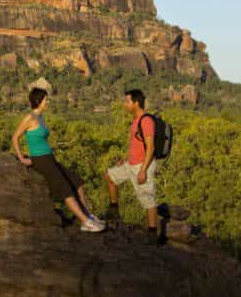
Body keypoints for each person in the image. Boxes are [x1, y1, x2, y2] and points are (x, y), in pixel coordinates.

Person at [12, 87, 105, 232]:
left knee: (77, 182)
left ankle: (88, 215)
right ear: (38, 101)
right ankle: (85, 222)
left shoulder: (40, 117)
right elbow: (15, 137)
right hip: (41, 160)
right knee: (65, 189)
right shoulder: (29, 118)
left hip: (49, 158)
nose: (47, 101)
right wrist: (22, 158)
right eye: (45, 99)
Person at [103, 89, 161, 245]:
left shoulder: (146, 121)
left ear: (136, 103)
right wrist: (126, 159)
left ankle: (152, 234)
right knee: (109, 176)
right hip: (131, 163)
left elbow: (150, 148)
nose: (125, 104)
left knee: (148, 200)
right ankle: (114, 210)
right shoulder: (135, 121)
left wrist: (143, 170)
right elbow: (137, 145)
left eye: (127, 101)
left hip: (142, 166)